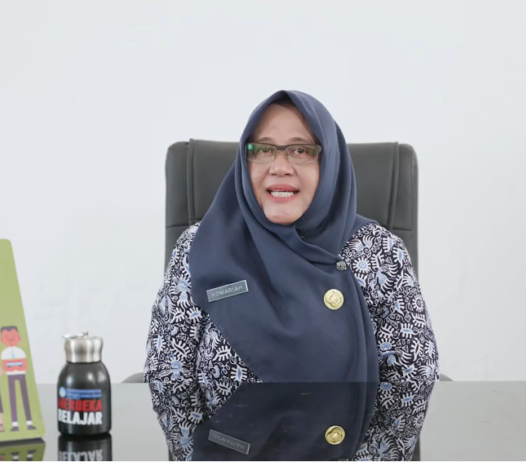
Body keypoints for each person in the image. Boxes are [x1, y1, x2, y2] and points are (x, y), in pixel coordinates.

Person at [143, 90, 439, 462]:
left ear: (329, 163)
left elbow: (411, 381)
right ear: (245, 161)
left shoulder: (379, 253)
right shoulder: (200, 246)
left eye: (300, 150)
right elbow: (169, 378)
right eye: (263, 149)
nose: (279, 166)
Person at [0, 326, 36, 432]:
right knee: (12, 399)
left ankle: (29, 422)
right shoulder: (4, 353)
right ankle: (14, 424)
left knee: (25, 398)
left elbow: (23, 365)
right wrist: (15, 365)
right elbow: (6, 366)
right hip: (10, 376)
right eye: (6, 336)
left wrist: (13, 365)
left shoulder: (20, 351)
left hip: (22, 375)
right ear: (2, 339)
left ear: (18, 337)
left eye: (13, 336)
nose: (10, 338)